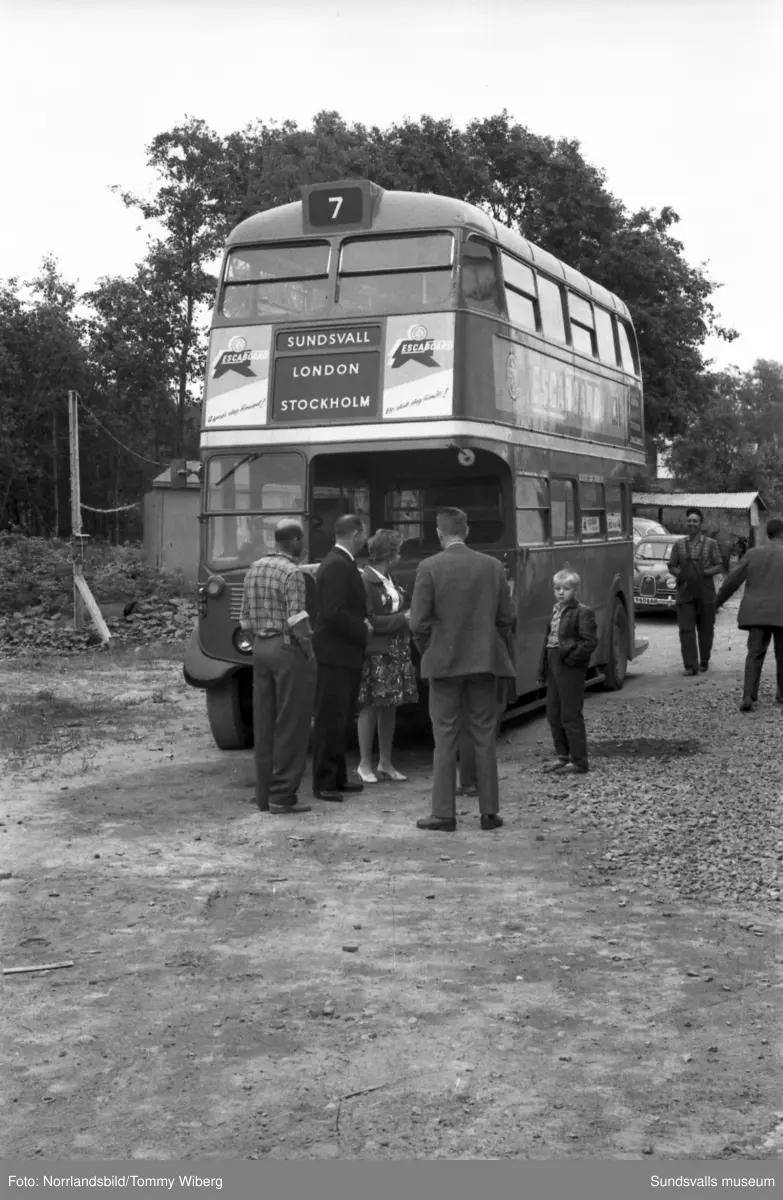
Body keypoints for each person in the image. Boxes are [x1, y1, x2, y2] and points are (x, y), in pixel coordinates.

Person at [409, 507, 516, 833]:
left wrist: (427, 649)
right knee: (484, 736)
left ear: (439, 534)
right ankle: (489, 812)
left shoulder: (428, 567)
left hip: (443, 664)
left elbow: (417, 621)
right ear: (466, 530)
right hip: (484, 662)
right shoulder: (493, 567)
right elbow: (505, 618)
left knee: (445, 738)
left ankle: (443, 814)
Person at [239, 519, 315, 815]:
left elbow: (244, 617)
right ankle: (282, 795)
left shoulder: (254, 567)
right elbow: (297, 619)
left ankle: (262, 795)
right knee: (291, 722)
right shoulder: (292, 572)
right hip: (286, 648)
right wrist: (308, 651)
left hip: (260, 648)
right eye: (302, 540)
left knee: (265, 721)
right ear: (295, 541)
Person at [311, 513, 373, 802]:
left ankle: (337, 777)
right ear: (356, 533)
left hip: (344, 654)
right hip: (335, 653)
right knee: (330, 720)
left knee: (342, 720)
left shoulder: (342, 562)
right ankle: (323, 781)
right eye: (364, 534)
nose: (365, 540)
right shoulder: (336, 565)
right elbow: (333, 613)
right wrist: (361, 627)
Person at [356, 529, 418, 784]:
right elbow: (369, 619)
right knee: (371, 706)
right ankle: (363, 764)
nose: (401, 556)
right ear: (389, 556)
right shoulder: (366, 581)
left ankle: (385, 762)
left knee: (390, 706)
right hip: (377, 651)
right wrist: (401, 619)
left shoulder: (389, 578)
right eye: (398, 552)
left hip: (395, 649)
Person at [715, 516, 783, 712]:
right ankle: (781, 694)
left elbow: (732, 581)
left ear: (767, 534)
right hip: (781, 614)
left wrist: (716, 603)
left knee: (754, 654)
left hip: (757, 613)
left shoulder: (753, 554)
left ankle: (748, 696)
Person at [536, 569, 598, 776]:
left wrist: (570, 660)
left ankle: (579, 760)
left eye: (566, 588)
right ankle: (563, 755)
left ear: (575, 590)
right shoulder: (555, 610)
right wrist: (542, 669)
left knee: (570, 713)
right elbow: (547, 643)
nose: (561, 592)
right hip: (554, 663)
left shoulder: (583, 612)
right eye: (557, 589)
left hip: (568, 666)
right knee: (553, 713)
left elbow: (589, 642)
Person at [667, 508, 723, 676]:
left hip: (705, 590)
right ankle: (691, 665)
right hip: (685, 590)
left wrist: (703, 573)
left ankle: (704, 660)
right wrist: (683, 575)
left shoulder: (710, 544)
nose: (691, 523)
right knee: (686, 629)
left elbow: (719, 565)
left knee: (706, 628)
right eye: (689, 520)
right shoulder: (679, 544)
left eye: (695, 521)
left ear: (700, 524)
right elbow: (671, 566)